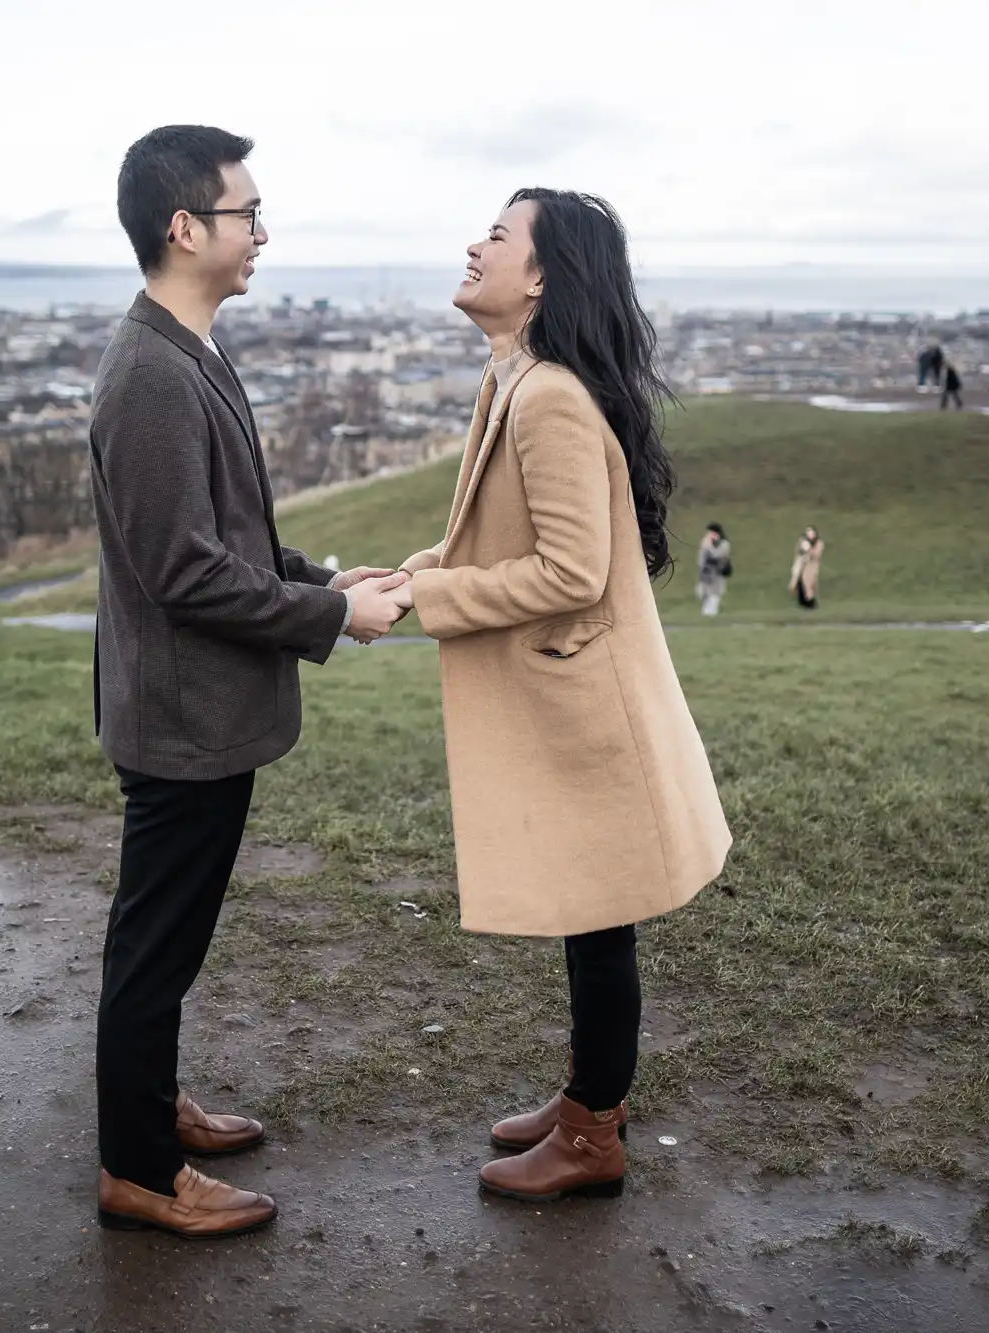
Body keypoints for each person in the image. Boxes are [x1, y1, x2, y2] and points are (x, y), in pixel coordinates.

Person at [85, 125, 411, 1239]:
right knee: (153, 943)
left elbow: (229, 537)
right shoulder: (150, 375)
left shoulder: (190, 352)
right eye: (246, 214)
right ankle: (136, 1166)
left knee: (168, 939)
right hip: (180, 716)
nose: (261, 233)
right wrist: (329, 617)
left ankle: (149, 1105)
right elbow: (183, 575)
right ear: (185, 228)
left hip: (200, 711)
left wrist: (323, 579)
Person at [387, 190, 733, 1203]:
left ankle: (590, 1136)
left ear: (538, 277)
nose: (471, 244)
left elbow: (571, 573)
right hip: (571, 698)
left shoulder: (544, 397)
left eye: (495, 236)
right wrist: (398, 579)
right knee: (592, 915)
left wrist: (427, 595)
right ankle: (591, 1100)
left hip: (586, 708)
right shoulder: (519, 378)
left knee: (599, 916)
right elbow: (494, 543)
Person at [696, 523, 732, 617]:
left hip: (717, 574)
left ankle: (710, 614)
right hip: (706, 573)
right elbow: (702, 559)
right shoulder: (705, 543)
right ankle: (706, 613)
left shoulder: (723, 544)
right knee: (703, 593)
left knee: (714, 595)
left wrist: (709, 547)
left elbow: (717, 555)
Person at [789, 526, 823, 609]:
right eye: (808, 533)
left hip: (811, 565)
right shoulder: (803, 541)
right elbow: (799, 552)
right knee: (798, 582)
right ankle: (802, 602)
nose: (810, 535)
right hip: (801, 563)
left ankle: (811, 603)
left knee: (809, 583)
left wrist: (809, 550)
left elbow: (816, 555)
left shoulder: (819, 543)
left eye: (812, 533)